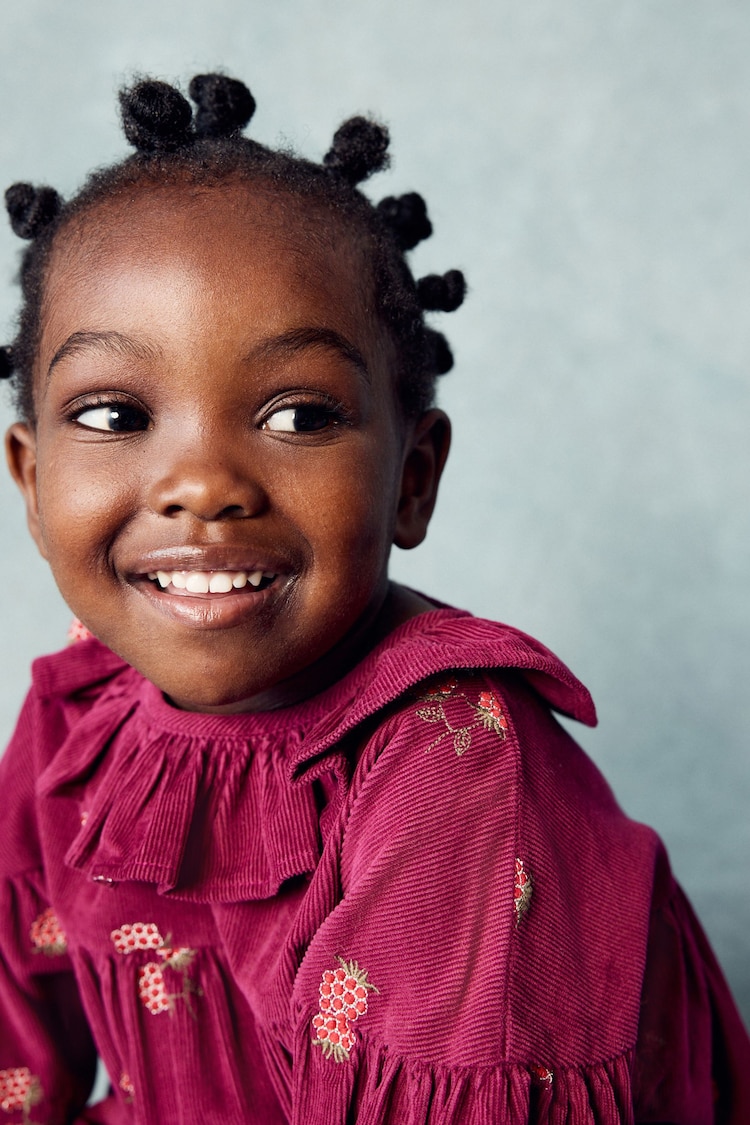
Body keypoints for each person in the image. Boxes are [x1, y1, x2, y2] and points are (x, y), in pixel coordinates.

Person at [0, 73, 746, 1125]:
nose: (203, 484)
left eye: (299, 416)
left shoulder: (459, 766)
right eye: (116, 413)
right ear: (31, 481)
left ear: (412, 479)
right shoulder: (83, 710)